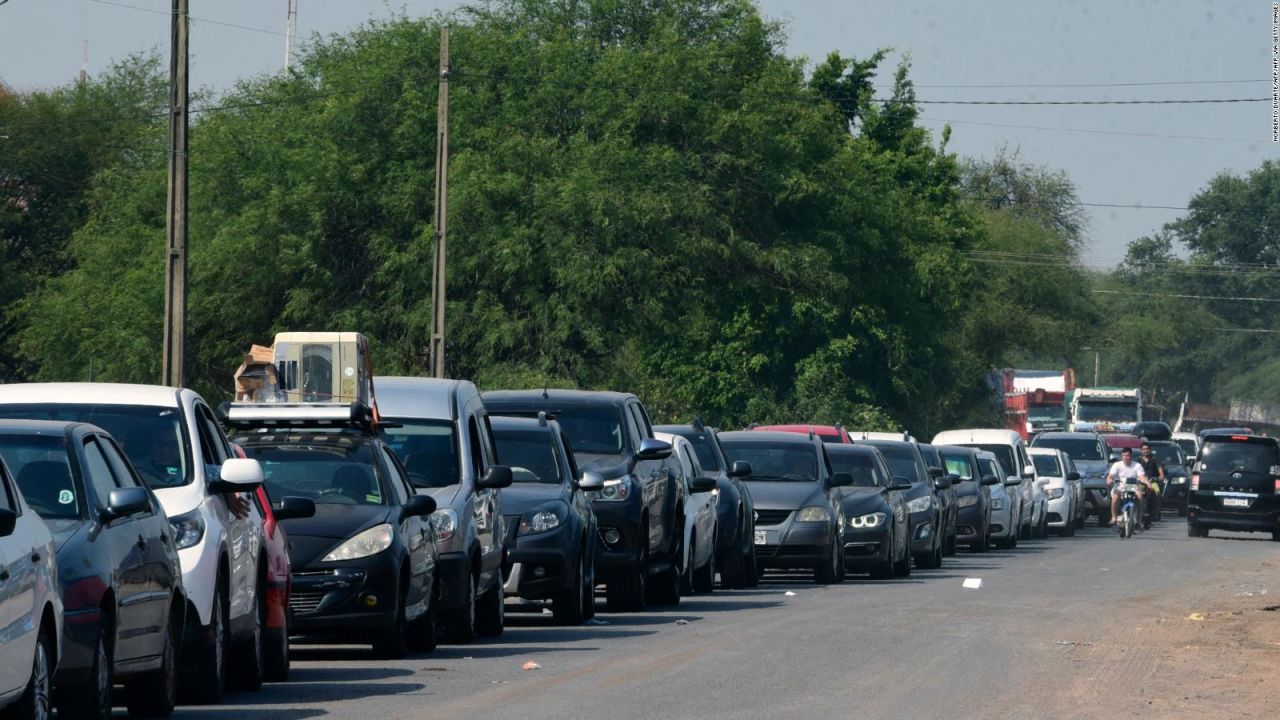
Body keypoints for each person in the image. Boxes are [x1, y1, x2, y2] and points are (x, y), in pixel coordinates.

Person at [1107, 447, 1151, 528]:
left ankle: (1139, 519)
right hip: (1120, 485)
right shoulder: (1116, 465)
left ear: (1131, 456)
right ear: (1121, 456)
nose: (1125, 457)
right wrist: (1109, 480)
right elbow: (1111, 475)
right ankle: (1114, 517)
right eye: (1123, 455)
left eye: (1127, 455)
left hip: (1133, 486)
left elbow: (1142, 477)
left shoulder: (1137, 465)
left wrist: (1147, 483)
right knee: (1115, 496)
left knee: (1140, 496)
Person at [1137, 442, 1165, 527]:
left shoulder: (1155, 460)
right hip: (1141, 482)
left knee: (1157, 493)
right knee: (1136, 493)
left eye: (1147, 449)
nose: (1145, 451)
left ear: (1150, 450)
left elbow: (1161, 474)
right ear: (1141, 450)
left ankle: (1156, 512)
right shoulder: (1138, 461)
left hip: (1153, 482)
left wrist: (1158, 477)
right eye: (1143, 449)